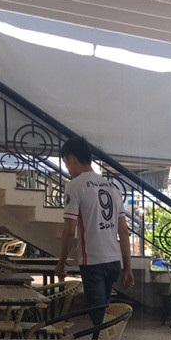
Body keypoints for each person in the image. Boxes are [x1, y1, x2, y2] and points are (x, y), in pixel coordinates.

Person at [56, 136, 134, 325]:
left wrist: (61, 263)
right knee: (104, 313)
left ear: (72, 159)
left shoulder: (75, 186)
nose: (67, 169)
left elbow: (69, 231)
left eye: (66, 163)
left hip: (92, 261)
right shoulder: (113, 188)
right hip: (113, 260)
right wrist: (128, 267)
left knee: (98, 317)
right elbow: (124, 232)